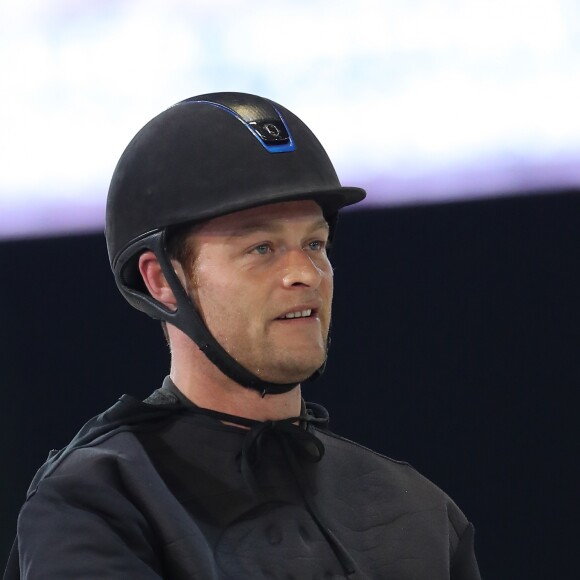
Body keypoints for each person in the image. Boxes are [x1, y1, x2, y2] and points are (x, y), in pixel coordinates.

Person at [5, 93, 481, 579]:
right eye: (261, 247)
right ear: (161, 280)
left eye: (315, 243)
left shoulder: (422, 516)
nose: (306, 273)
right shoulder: (96, 506)